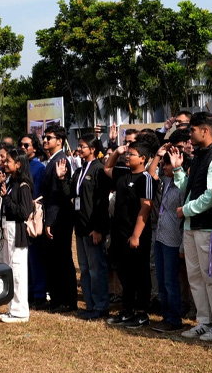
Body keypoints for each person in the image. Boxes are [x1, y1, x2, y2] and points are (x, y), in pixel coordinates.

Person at [170, 111, 212, 341]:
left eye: (192, 130)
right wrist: (177, 169)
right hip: (191, 227)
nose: (189, 135)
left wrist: (185, 210)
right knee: (195, 277)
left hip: (208, 227)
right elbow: (189, 189)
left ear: (205, 130)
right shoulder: (198, 156)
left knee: (211, 277)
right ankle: (204, 322)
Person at [57, 134, 110, 320]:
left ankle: (101, 306)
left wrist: (98, 228)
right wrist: (62, 178)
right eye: (78, 146)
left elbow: (102, 203)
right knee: (86, 269)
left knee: (97, 269)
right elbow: (70, 194)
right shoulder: (79, 171)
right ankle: (90, 304)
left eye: (82, 146)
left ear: (93, 149)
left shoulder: (99, 170)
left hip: (92, 228)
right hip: (80, 228)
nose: (79, 149)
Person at [104, 141, 156, 327]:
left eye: (131, 154)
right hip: (119, 233)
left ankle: (142, 312)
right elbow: (107, 167)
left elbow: (146, 208)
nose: (128, 156)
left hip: (137, 234)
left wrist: (136, 235)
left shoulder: (145, 178)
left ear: (143, 159)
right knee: (125, 273)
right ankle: (127, 310)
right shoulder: (122, 173)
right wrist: (117, 152)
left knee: (140, 273)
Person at [146, 144, 185, 332]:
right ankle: (165, 315)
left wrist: (177, 167)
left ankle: (174, 318)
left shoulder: (181, 183)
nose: (163, 166)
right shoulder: (165, 181)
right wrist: (158, 154)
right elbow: (149, 172)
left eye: (166, 164)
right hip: (161, 235)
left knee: (170, 280)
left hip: (173, 237)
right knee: (161, 279)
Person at [40, 125, 77, 313]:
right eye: (44, 137)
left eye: (49, 137)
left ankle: (66, 300)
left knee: (62, 259)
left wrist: (50, 221)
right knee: (55, 260)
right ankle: (57, 298)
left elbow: (57, 195)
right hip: (53, 213)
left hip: (59, 217)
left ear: (59, 141)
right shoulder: (52, 159)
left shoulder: (61, 161)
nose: (45, 140)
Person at [0, 149, 34, 323]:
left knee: (17, 270)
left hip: (16, 232)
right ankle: (12, 308)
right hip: (6, 227)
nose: (5, 164)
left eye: (8, 161)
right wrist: (0, 187)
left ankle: (20, 311)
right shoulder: (11, 182)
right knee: (9, 268)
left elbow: (24, 212)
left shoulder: (23, 185)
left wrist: (7, 198)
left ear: (18, 164)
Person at [20, 133, 48, 308]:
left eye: (26, 145)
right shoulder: (20, 166)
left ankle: (39, 294)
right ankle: (28, 292)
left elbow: (37, 194)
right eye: (21, 145)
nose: (22, 147)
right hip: (20, 215)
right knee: (25, 258)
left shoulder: (38, 168)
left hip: (32, 216)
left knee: (35, 258)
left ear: (34, 148)